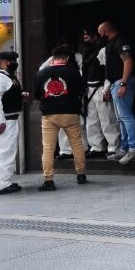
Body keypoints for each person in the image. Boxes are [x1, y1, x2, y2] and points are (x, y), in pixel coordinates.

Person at [33, 44, 88, 191]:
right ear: (67, 58)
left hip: (49, 115)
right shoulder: (73, 72)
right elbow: (82, 91)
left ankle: (49, 180)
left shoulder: (41, 73)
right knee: (77, 145)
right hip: (70, 113)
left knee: (48, 149)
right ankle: (81, 175)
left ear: (53, 58)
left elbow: (37, 95)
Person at [98, 20, 135, 165]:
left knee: (125, 116)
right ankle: (124, 148)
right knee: (121, 117)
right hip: (116, 83)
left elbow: (128, 61)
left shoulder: (119, 42)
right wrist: (110, 87)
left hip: (122, 82)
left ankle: (134, 148)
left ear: (106, 32)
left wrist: (123, 83)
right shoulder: (112, 44)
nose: (100, 37)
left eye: (100, 34)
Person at [0, 51, 25, 195]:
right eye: (12, 60)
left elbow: (4, 96)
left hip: (7, 120)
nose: (14, 63)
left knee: (3, 152)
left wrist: (19, 97)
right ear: (4, 61)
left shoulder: (5, 77)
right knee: (3, 153)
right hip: (4, 121)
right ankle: (0, 184)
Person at [80, 28, 115, 158]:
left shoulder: (103, 49)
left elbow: (108, 69)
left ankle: (113, 146)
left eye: (87, 34)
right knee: (91, 119)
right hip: (88, 88)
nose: (85, 36)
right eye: (83, 34)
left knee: (107, 118)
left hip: (100, 86)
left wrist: (107, 86)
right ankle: (96, 146)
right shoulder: (85, 51)